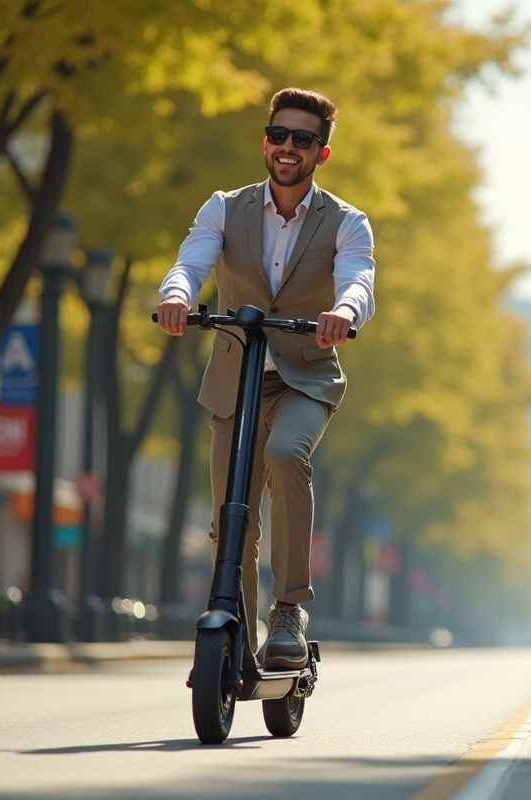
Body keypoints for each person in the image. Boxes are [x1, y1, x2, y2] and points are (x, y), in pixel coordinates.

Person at [157, 88, 375, 669]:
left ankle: (288, 609)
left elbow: (359, 280)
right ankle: (237, 625)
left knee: (284, 454)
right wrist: (178, 295)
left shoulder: (347, 222)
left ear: (320, 154)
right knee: (230, 514)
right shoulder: (225, 208)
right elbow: (192, 260)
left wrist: (345, 312)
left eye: (302, 140)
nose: (287, 148)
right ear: (266, 141)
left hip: (303, 379)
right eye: (279, 135)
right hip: (236, 380)